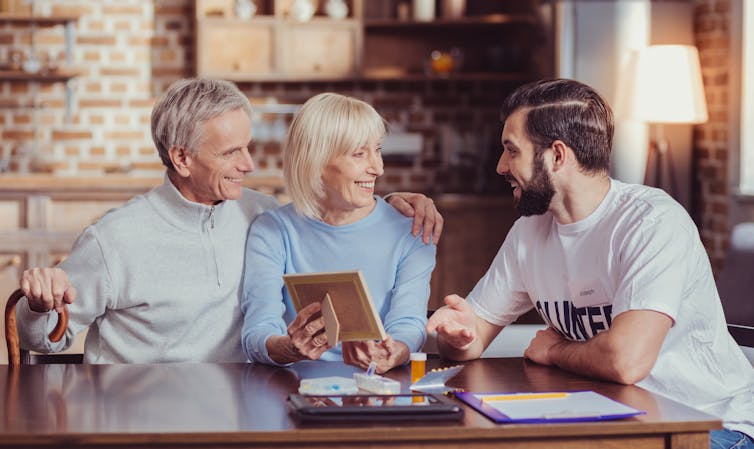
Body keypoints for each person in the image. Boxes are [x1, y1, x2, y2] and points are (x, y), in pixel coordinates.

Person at [15, 79, 443, 364]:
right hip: (136, 416)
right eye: (230, 153)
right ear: (182, 158)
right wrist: (38, 306)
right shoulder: (114, 239)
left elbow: (332, 211)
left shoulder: (259, 214)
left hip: (239, 405)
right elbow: (44, 338)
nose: (250, 164)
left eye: (249, 147)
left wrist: (391, 203)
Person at [427, 79, 754, 447]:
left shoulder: (652, 222)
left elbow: (625, 361)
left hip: (711, 425)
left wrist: (554, 351)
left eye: (511, 150)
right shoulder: (529, 232)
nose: (501, 166)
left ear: (557, 156)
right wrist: (457, 334)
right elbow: (472, 341)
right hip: (619, 421)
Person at [241, 92, 436, 374]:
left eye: (378, 150)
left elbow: (409, 323)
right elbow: (258, 329)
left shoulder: (412, 231)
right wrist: (289, 347)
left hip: (379, 389)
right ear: (316, 161)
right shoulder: (273, 231)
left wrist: (394, 352)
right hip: (292, 390)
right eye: (359, 154)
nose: (378, 169)